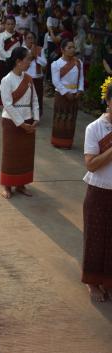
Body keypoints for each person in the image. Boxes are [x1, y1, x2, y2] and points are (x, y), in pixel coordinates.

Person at [81, 78, 112, 302]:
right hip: (99, 190)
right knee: (95, 239)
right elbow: (91, 164)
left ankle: (109, 281)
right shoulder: (95, 128)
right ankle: (92, 282)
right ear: (108, 101)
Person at [0, 47, 39, 199]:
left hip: (28, 119)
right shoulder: (6, 80)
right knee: (10, 153)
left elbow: (34, 99)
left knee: (25, 154)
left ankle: (21, 184)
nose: (30, 62)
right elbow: (7, 104)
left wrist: (35, 119)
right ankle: (7, 185)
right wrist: (21, 124)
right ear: (18, 61)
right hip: (11, 121)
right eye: (27, 59)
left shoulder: (28, 79)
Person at [51, 39, 83, 149]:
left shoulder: (78, 63)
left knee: (71, 118)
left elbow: (81, 78)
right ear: (62, 50)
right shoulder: (56, 64)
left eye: (73, 47)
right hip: (61, 94)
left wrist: (80, 90)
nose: (72, 49)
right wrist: (66, 93)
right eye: (69, 47)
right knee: (60, 118)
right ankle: (58, 141)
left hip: (75, 95)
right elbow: (56, 81)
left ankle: (68, 142)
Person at [0, 16, 22, 105]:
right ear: (4, 25)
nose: (10, 26)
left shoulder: (19, 36)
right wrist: (9, 58)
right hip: (4, 62)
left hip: (16, 63)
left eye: (12, 24)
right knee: (3, 81)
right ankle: (1, 99)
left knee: (14, 82)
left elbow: (21, 48)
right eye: (8, 24)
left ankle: (14, 98)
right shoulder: (0, 36)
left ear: (15, 25)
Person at [23, 31, 46, 116]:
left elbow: (44, 63)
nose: (30, 40)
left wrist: (35, 55)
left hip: (37, 77)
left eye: (32, 38)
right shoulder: (22, 50)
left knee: (37, 98)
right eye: (28, 38)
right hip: (25, 77)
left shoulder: (40, 49)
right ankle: (26, 115)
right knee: (26, 97)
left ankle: (36, 116)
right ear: (25, 40)